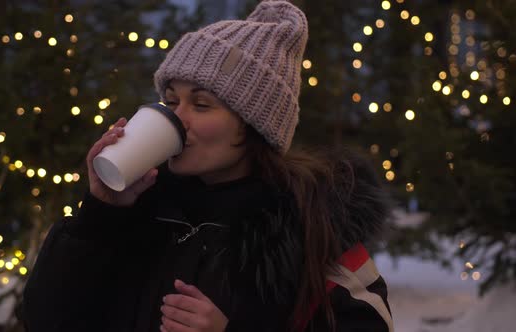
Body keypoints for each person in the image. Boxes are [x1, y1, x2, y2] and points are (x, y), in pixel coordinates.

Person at [21, 1, 393, 331]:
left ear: (255, 125)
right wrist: (100, 214)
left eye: (201, 105)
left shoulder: (313, 226)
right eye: (171, 100)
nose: (177, 118)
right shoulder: (142, 210)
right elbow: (48, 320)